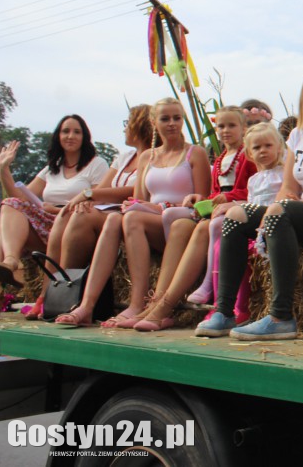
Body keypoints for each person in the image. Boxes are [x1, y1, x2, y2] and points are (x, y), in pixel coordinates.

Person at [196, 68, 303, 340]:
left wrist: (289, 207)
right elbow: (289, 187)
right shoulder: (298, 135)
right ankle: (224, 312)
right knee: (237, 214)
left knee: (282, 212)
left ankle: (281, 316)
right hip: (302, 211)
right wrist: (277, 208)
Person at [54, 98, 211, 327]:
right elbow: (137, 199)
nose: (172, 124)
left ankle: (143, 303)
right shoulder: (148, 157)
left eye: (177, 118)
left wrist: (158, 208)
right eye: (165, 118)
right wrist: (134, 206)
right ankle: (87, 305)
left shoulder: (195, 153)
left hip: (180, 220)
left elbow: (201, 203)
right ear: (154, 122)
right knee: (116, 219)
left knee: (133, 217)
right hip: (153, 221)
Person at [132, 122, 286, 331]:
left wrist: (231, 202)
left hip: (265, 226)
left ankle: (236, 306)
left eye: (268, 146)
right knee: (215, 239)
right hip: (240, 219)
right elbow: (246, 198)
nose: (263, 151)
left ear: (279, 147)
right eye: (257, 148)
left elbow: (275, 202)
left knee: (226, 237)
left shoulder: (283, 174)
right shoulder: (252, 177)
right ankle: (219, 305)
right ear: (250, 152)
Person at [27, 105, 154, 319]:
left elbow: (136, 191)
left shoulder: (151, 156)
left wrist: (89, 196)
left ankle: (63, 293)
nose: (124, 129)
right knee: (70, 212)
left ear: (138, 125)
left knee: (80, 215)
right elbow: (99, 190)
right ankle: (48, 292)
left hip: (130, 212)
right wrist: (87, 198)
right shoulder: (123, 158)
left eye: (127, 123)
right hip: (107, 211)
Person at [0, 115, 108, 287]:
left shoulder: (97, 164)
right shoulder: (52, 167)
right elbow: (19, 197)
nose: (70, 136)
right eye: (66, 131)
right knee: (10, 205)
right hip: (46, 225)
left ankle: (8, 284)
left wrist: (56, 210)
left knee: (0, 235)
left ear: (84, 137)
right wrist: (3, 169)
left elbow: (98, 202)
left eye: (76, 132)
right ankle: (11, 261)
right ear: (58, 136)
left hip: (73, 225)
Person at [184, 107, 259, 306]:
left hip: (240, 205)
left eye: (231, 125)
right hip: (224, 206)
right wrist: (205, 204)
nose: (225, 130)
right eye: (221, 126)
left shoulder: (248, 155)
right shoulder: (219, 161)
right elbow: (216, 191)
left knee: (216, 224)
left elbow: (254, 187)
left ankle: (209, 281)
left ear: (244, 128)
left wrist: (228, 197)